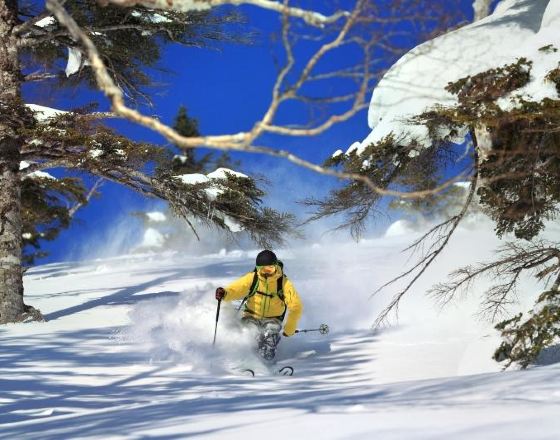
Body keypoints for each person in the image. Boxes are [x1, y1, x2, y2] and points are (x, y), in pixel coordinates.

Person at [215, 250, 303, 361]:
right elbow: (237, 289)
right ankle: (244, 360)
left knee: (270, 334)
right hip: (251, 317)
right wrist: (225, 293)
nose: (267, 273)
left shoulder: (284, 283)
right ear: (257, 268)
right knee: (250, 335)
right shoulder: (252, 278)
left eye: (270, 269)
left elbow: (296, 306)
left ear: (276, 267)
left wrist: (289, 329)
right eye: (263, 269)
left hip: (273, 320)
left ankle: (267, 363)